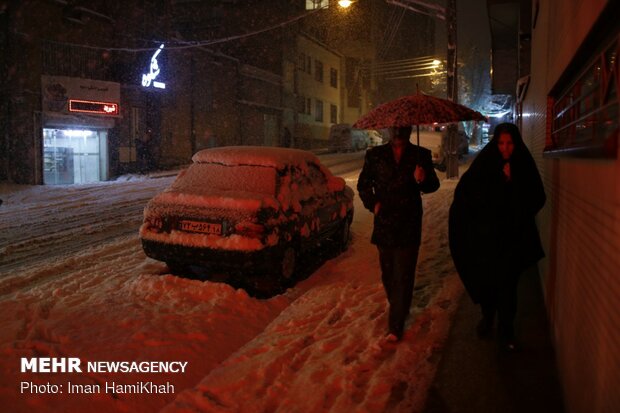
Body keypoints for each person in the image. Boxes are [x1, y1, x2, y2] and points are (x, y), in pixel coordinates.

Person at [448, 122, 546, 352]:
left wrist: (514, 182)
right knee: (489, 282)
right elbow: (465, 192)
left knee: (508, 287)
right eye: (501, 143)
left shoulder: (523, 163)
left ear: (516, 143)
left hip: (513, 240)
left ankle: (506, 331)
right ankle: (487, 316)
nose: (505, 148)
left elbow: (537, 198)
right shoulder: (486, 161)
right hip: (487, 240)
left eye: (510, 143)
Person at [357, 126, 440, 341]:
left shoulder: (421, 155)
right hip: (385, 221)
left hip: (409, 221)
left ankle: (396, 325)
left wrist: (422, 179)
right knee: (388, 273)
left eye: (402, 128)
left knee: (404, 273)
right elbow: (363, 184)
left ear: (410, 129)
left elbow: (433, 185)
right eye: (394, 128)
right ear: (388, 130)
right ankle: (399, 307)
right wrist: (373, 203)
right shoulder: (375, 155)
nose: (398, 132)